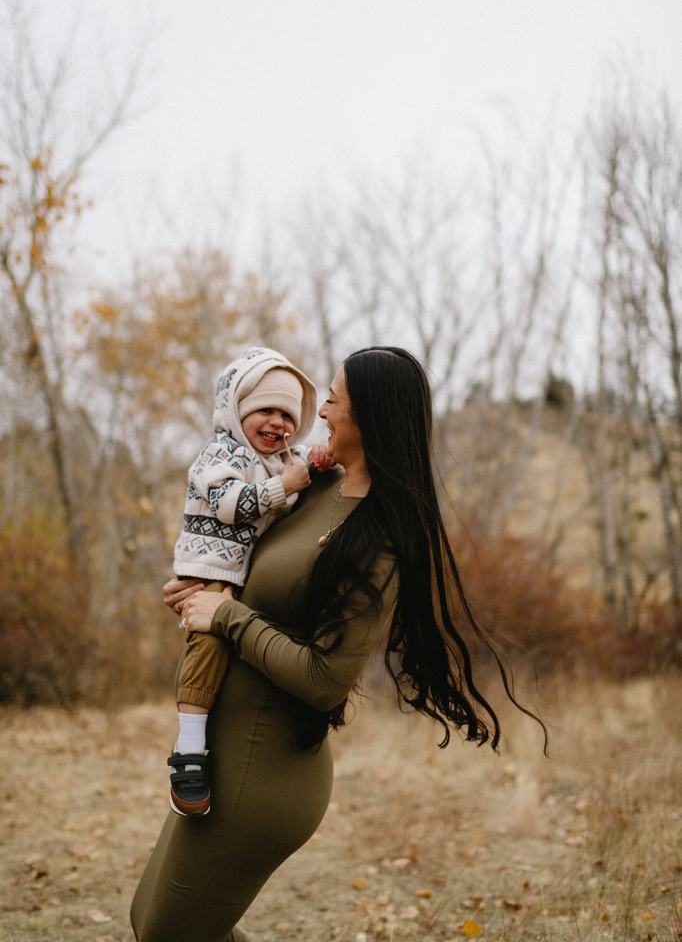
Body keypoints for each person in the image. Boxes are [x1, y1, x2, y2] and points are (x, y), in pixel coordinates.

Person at [130, 345, 546, 942]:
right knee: (152, 922)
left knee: (167, 934)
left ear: (368, 415)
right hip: (215, 754)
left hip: (265, 772)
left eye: (332, 398)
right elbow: (244, 556)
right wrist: (200, 589)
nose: (318, 411)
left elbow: (325, 679)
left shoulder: (378, 537)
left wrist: (226, 617)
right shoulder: (316, 487)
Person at [168, 346, 321, 816]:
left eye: (287, 415)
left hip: (242, 575)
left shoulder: (280, 460)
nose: (278, 423)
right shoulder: (220, 453)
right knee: (209, 648)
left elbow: (293, 504)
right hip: (208, 573)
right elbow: (232, 504)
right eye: (265, 410)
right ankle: (189, 750)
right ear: (237, 410)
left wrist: (313, 469)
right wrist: (288, 486)